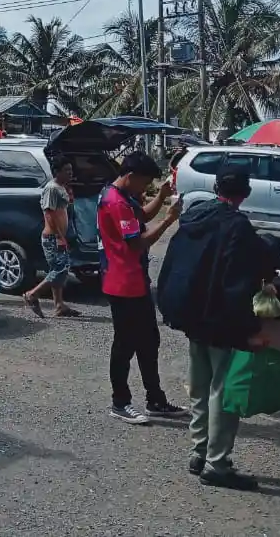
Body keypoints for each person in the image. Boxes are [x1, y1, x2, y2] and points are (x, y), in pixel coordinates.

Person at [158, 167, 280, 490]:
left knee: (200, 387)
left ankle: (198, 451)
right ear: (245, 192)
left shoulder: (195, 218)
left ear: (216, 188)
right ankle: (217, 463)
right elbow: (238, 281)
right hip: (220, 319)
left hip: (191, 315)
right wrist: (250, 329)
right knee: (222, 392)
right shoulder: (236, 225)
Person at [97, 151, 187, 424]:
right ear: (131, 176)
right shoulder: (116, 202)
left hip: (135, 280)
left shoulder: (121, 197)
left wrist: (161, 197)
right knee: (125, 345)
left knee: (149, 341)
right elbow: (137, 242)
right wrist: (169, 220)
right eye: (144, 183)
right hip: (122, 281)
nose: (144, 189)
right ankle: (120, 402)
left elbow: (142, 217)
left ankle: (155, 399)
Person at [23, 158, 81, 318]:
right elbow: (49, 214)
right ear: (57, 172)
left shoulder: (62, 188)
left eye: (71, 170)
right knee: (60, 269)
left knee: (57, 270)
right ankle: (32, 294)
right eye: (66, 170)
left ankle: (59, 305)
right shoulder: (51, 188)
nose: (70, 173)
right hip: (52, 238)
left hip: (59, 236)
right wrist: (58, 237)